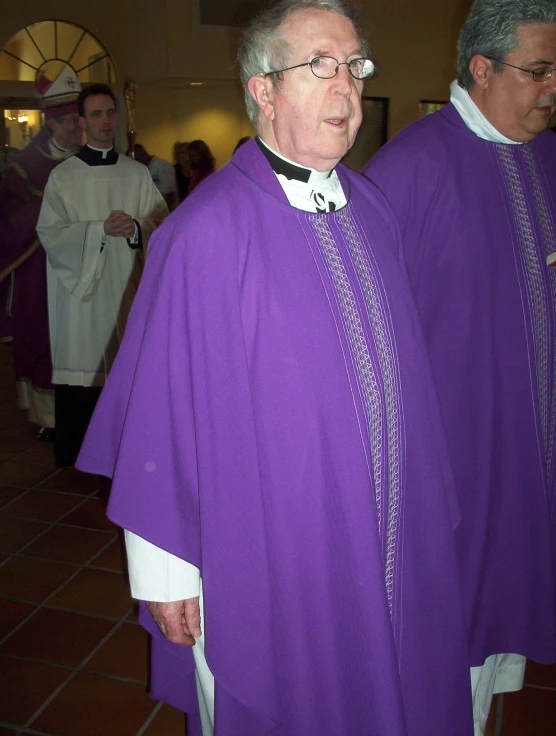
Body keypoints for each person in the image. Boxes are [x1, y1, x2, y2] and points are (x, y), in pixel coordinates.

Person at [77, 1, 474, 734]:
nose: (347, 88)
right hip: (273, 553)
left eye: (355, 66)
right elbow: (161, 419)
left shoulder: (373, 210)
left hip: (384, 528)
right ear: (262, 88)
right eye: (320, 66)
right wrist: (165, 575)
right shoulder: (204, 235)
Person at [364, 1, 556, 733]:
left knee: (505, 621)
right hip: (454, 460)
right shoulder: (409, 168)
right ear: (482, 68)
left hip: (530, 445)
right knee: (451, 629)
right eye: (537, 70)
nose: (551, 87)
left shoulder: (547, 157)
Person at [36, 83, 167, 468]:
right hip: (84, 295)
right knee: (88, 363)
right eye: (96, 114)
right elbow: (51, 234)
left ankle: (128, 449)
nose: (106, 121)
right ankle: (78, 451)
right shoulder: (63, 177)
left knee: (127, 364)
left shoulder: (137, 173)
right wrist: (97, 230)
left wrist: (138, 229)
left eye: (110, 113)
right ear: (81, 121)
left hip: (126, 284)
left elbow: (162, 223)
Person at [0, 63, 83, 438]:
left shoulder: (95, 160)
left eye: (77, 119)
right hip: (42, 267)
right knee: (47, 336)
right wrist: (55, 214)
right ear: (50, 123)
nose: (76, 126)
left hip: (89, 263)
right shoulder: (25, 167)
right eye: (68, 120)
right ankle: (50, 417)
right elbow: (10, 216)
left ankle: (89, 407)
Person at [133, 143, 178, 211]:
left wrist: (161, 213)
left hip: (166, 213)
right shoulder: (142, 170)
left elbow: (170, 194)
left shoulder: (163, 166)